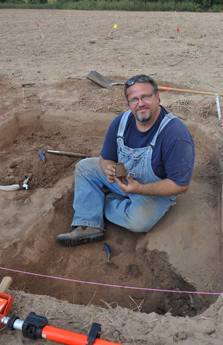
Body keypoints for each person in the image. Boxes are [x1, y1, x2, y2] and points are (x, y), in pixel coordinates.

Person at [56, 75, 195, 247]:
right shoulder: (120, 122)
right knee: (84, 168)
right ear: (128, 103)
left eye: (146, 96)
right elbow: (106, 158)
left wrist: (141, 189)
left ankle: (99, 202)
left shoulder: (175, 135)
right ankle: (89, 224)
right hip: (123, 179)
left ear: (157, 97)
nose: (140, 103)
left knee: (139, 222)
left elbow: (180, 185)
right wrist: (109, 169)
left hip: (154, 192)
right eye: (134, 99)